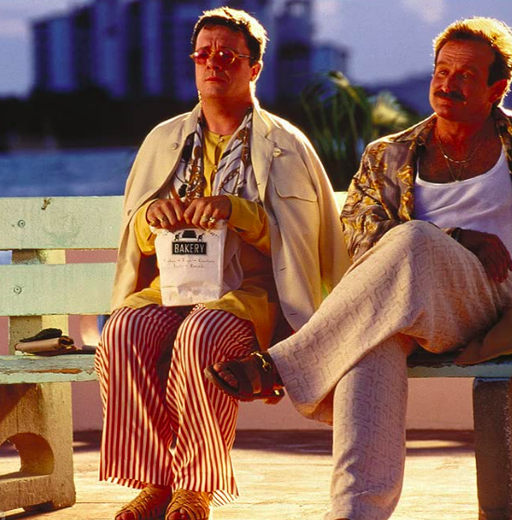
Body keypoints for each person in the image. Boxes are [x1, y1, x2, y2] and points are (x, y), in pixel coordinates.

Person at [206, 17, 512, 520]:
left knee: (415, 240)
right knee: (372, 343)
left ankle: (280, 364)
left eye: (466, 75)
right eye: (442, 70)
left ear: (497, 88)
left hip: (493, 307)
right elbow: (363, 242)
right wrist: (457, 238)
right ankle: (356, 513)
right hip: (410, 307)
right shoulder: (387, 156)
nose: (449, 83)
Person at [94, 7, 348, 520]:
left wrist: (239, 212)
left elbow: (302, 247)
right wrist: (152, 217)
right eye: (203, 54)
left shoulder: (283, 146)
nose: (214, 64)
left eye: (228, 56)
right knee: (122, 332)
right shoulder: (164, 140)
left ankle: (196, 486)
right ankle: (155, 482)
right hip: (173, 289)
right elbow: (135, 238)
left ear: (253, 68)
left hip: (253, 298)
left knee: (201, 335)